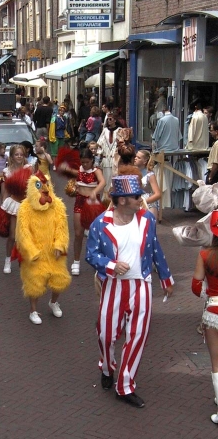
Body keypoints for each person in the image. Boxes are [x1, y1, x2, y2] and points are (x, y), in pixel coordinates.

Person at [86, 174, 174, 408]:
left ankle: (125, 386)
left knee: (137, 336)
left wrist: (166, 277)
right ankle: (107, 366)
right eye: (136, 196)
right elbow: (91, 254)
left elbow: (155, 248)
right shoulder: (100, 223)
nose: (141, 200)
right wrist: (111, 265)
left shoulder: (147, 220)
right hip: (113, 285)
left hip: (142, 284)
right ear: (122, 200)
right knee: (105, 334)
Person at [15, 171, 71, 325]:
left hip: (54, 252)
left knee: (60, 280)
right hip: (36, 253)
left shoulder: (57, 205)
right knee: (35, 283)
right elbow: (22, 232)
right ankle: (33, 311)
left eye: (46, 184)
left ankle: (53, 302)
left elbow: (62, 227)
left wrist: (60, 245)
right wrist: (31, 251)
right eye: (39, 186)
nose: (44, 189)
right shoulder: (25, 208)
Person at [59, 147, 105, 276]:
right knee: (78, 234)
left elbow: (103, 182)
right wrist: (64, 167)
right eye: (82, 162)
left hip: (93, 204)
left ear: (92, 160)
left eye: (87, 162)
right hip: (80, 203)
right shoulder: (78, 170)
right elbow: (67, 170)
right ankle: (76, 261)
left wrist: (95, 192)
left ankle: (97, 259)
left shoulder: (96, 171)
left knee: (96, 234)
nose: (84, 165)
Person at [191, 210, 218, 423]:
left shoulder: (205, 255)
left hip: (213, 311)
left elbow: (195, 285)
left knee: (216, 361)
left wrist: (206, 292)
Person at [1, 144, 32, 274]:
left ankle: (24, 260)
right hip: (14, 203)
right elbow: (5, 191)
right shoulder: (7, 171)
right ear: (12, 156)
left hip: (27, 204)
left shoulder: (29, 168)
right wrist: (2, 209)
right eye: (16, 154)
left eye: (21, 154)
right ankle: (7, 259)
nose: (19, 156)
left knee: (26, 235)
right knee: (13, 235)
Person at [134, 149, 161, 219]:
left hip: (148, 205)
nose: (135, 158)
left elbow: (158, 194)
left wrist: (144, 201)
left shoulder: (150, 174)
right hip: (134, 204)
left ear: (144, 161)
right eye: (135, 156)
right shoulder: (132, 172)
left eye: (138, 157)